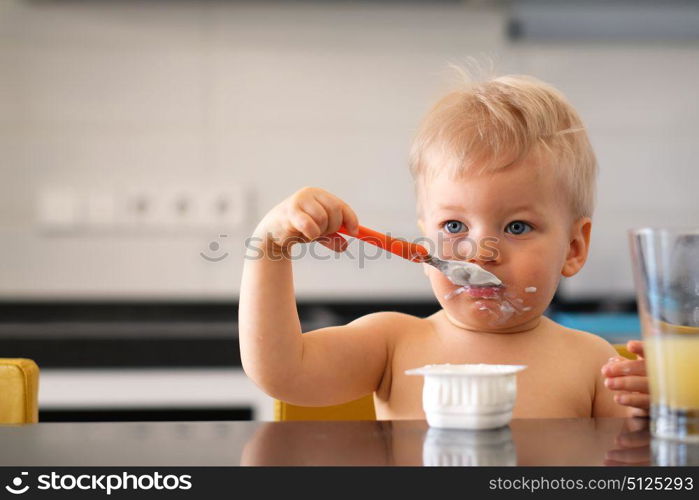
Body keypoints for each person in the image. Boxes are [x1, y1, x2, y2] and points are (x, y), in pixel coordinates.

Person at [239, 72, 648, 419]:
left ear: (574, 248)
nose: (480, 252)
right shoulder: (392, 345)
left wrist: (662, 410)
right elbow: (282, 372)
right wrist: (270, 245)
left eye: (517, 227)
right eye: (454, 225)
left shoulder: (595, 365)